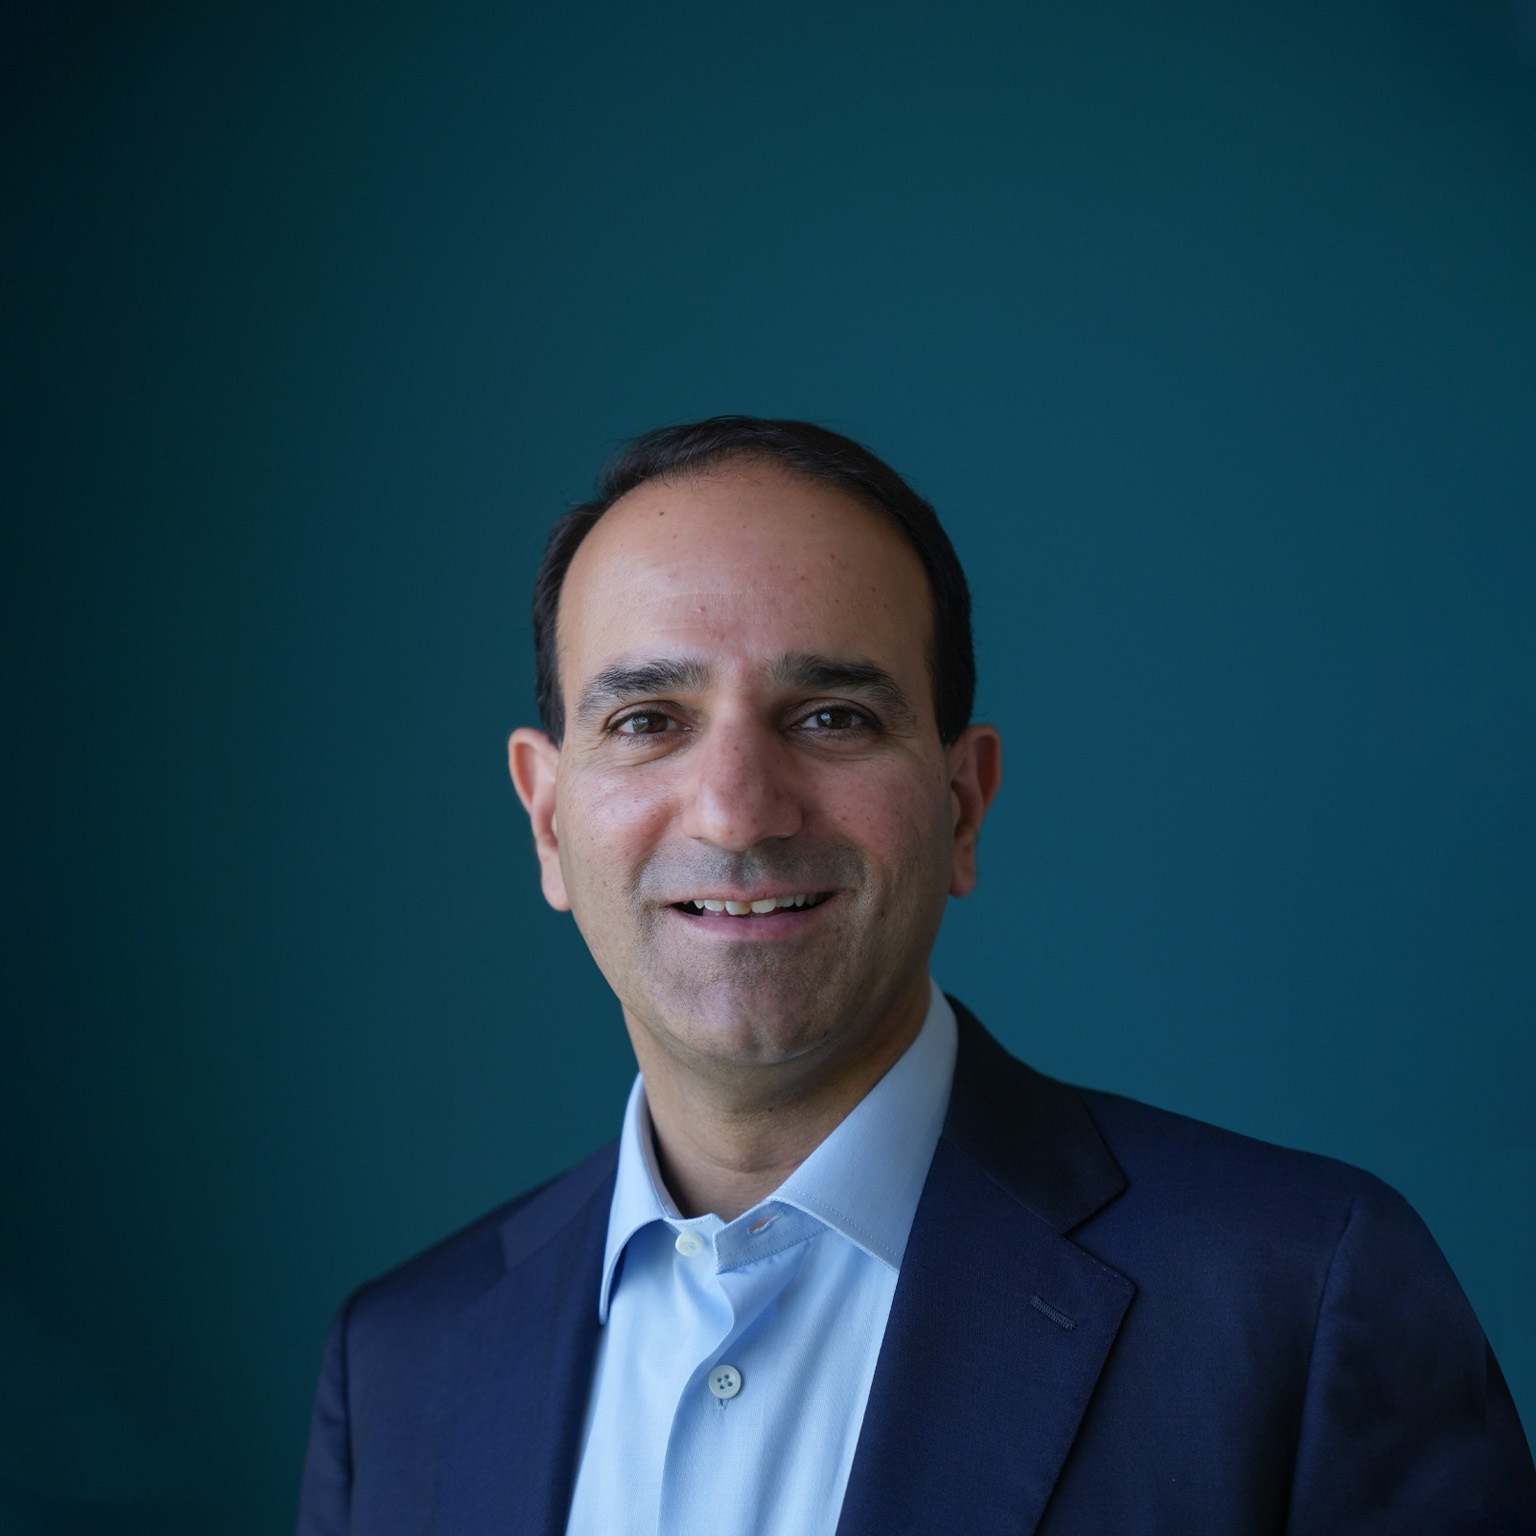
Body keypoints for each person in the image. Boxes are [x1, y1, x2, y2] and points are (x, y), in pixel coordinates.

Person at [297, 416, 1536, 1535]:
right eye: (647, 719)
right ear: (546, 817)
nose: (737, 812)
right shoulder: (401, 1367)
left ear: (963, 802)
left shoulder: (1303, 1295)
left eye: (831, 715)